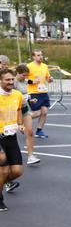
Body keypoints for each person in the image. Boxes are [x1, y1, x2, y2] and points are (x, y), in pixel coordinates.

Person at [0, 69, 25, 211]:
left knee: (17, 171)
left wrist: (20, 124)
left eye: (12, 80)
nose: (10, 82)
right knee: (3, 169)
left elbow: (18, 110)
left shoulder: (17, 95)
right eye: (7, 80)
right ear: (0, 81)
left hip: (11, 136)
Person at [14, 64, 38, 165]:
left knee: (30, 132)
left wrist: (30, 100)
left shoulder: (24, 82)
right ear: (17, 73)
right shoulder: (13, 82)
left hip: (24, 108)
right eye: (23, 75)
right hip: (14, 110)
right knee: (10, 135)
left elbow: (24, 96)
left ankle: (31, 156)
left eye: (27, 75)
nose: (25, 77)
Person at [26, 50, 53, 139]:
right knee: (37, 113)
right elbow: (23, 79)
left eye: (41, 55)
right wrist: (32, 81)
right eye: (38, 55)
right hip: (33, 92)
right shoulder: (29, 66)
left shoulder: (45, 66)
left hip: (43, 92)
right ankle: (23, 119)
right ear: (33, 57)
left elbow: (47, 78)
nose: (40, 57)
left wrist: (50, 79)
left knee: (44, 112)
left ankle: (39, 130)